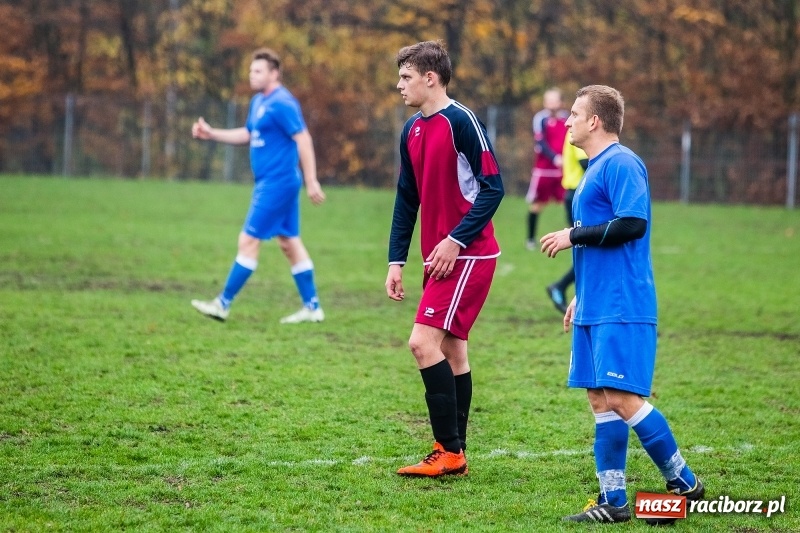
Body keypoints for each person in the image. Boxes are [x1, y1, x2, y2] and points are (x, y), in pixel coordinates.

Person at [540, 85, 704, 524]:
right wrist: (580, 295)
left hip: (623, 302)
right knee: (598, 397)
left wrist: (571, 234)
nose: (568, 121)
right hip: (597, 302)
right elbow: (602, 240)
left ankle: (683, 482)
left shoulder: (622, 163)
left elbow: (632, 224)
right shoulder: (593, 168)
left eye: (575, 114)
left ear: (595, 121)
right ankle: (614, 501)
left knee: (621, 396)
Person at [385, 40, 504, 477]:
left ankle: (448, 449)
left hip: (469, 255)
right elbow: (406, 199)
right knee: (453, 350)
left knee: (422, 343)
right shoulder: (412, 130)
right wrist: (396, 260)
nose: (399, 85)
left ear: (430, 78)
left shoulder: (462, 123)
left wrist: (455, 240)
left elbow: (493, 188)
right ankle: (456, 451)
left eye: (406, 77)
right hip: (437, 258)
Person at [190, 48, 326, 324]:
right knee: (289, 242)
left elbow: (303, 139)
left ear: (274, 74)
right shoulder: (258, 102)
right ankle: (312, 308)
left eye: (259, 71)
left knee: (248, 240)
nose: (253, 75)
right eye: (251, 71)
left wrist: (311, 180)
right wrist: (212, 133)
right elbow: (248, 133)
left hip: (278, 183)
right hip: (272, 182)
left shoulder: (282, 102)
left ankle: (222, 304)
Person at [545, 132, 588, 313]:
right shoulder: (579, 133)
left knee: (588, 248)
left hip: (579, 194)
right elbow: (585, 162)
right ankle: (561, 287)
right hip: (578, 194)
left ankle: (562, 287)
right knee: (587, 248)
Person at [525, 88, 568, 250]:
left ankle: (577, 239)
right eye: (547, 100)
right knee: (537, 205)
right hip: (544, 170)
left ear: (561, 102)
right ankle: (530, 239)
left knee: (571, 203)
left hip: (564, 172)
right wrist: (555, 158)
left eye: (553, 100)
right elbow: (540, 143)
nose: (550, 104)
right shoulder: (540, 118)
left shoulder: (567, 119)